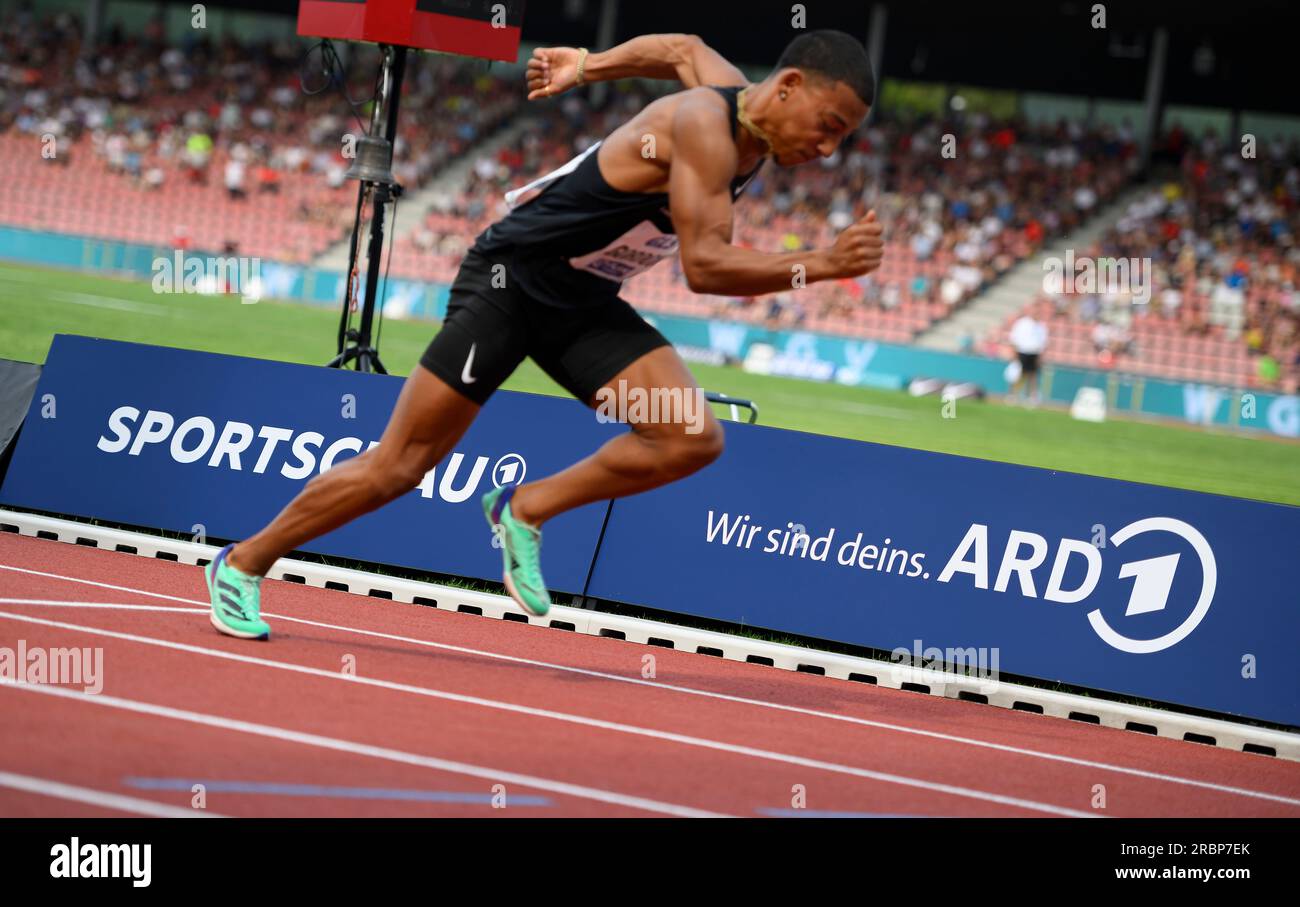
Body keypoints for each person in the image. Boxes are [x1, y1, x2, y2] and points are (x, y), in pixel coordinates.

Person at [204, 30, 883, 639]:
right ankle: (242, 561)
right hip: (510, 285)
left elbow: (680, 47)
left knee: (690, 437)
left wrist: (588, 65)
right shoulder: (705, 122)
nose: (827, 149)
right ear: (789, 86)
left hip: (582, 305)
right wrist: (820, 265)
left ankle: (523, 506)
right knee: (401, 465)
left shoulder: (738, 104)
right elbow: (704, 268)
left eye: (841, 138)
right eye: (828, 126)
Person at [1008, 299, 1050, 406]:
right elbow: (1014, 339)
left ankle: (1031, 397)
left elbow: (1043, 343)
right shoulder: (1022, 323)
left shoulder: (1042, 326)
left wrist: (1040, 357)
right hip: (1022, 352)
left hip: (1034, 353)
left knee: (1033, 376)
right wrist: (1015, 354)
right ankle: (1013, 395)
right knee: (1019, 374)